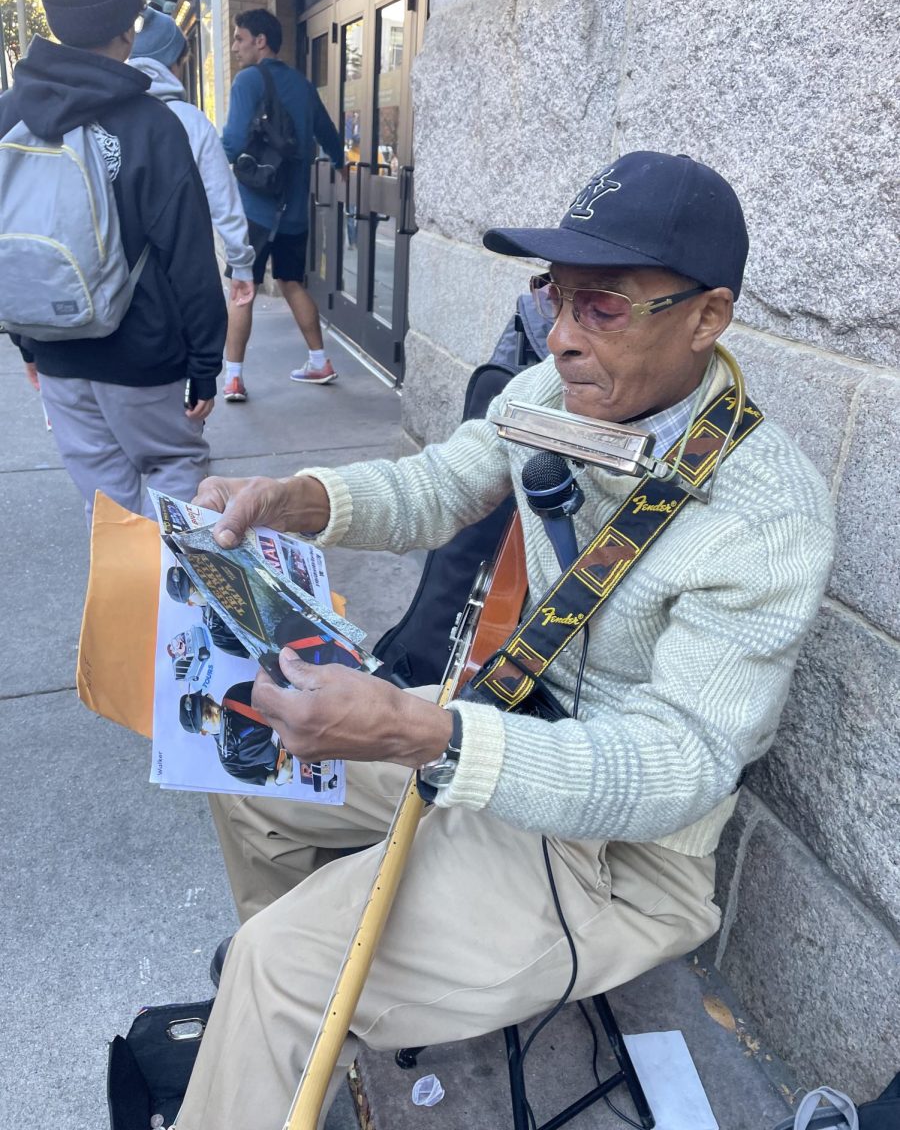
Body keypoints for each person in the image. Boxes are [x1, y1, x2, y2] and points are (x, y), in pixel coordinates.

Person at [173, 151, 835, 1130]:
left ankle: (290, 998)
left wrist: (421, 735)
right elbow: (441, 483)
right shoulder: (548, 397)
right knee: (247, 762)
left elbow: (681, 763)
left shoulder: (768, 511)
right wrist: (293, 498)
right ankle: (296, 1034)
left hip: (617, 859)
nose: (559, 338)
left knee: (278, 969)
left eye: (601, 308)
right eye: (552, 298)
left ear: (708, 317)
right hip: (499, 733)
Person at [0, 0, 226, 520]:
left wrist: (28, 338)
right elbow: (190, 257)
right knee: (176, 484)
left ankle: (126, 602)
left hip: (56, 351)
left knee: (108, 506)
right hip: (145, 354)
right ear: (129, 26)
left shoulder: (9, 115)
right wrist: (206, 363)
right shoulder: (152, 124)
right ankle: (171, 605)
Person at [221, 8, 345, 401]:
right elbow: (329, 134)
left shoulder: (248, 81)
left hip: (256, 210)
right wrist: (340, 164)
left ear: (261, 41)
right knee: (292, 282)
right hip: (293, 211)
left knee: (244, 289)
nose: (235, 46)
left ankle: (234, 378)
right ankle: (319, 360)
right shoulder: (304, 86)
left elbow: (232, 143)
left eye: (240, 38)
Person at [129, 7, 256, 310]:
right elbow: (222, 201)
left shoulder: (104, 114)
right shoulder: (192, 121)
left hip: (119, 283)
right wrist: (240, 264)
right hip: (184, 279)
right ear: (175, 65)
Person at [179, 685, 292, 787]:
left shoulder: (234, 696)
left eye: (209, 702)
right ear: (203, 731)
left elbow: (271, 686)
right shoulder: (229, 760)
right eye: (208, 714)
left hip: (298, 718)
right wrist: (280, 780)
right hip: (295, 761)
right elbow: (264, 779)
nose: (215, 709)